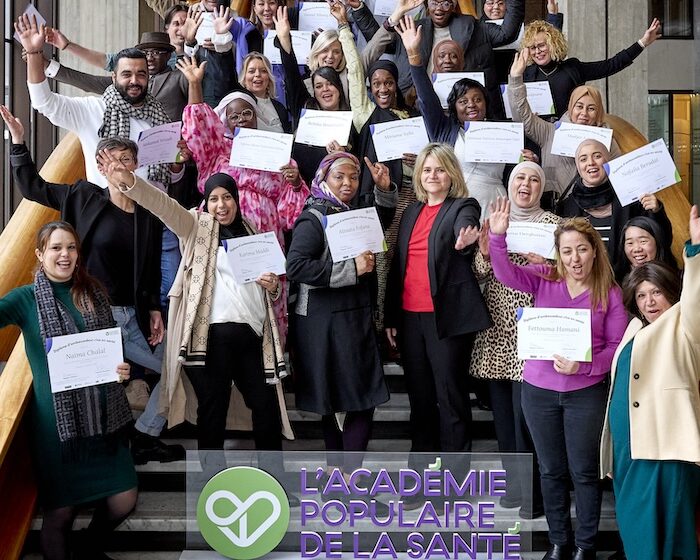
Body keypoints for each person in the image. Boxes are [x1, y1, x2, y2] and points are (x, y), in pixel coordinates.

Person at [3, 105, 184, 465]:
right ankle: (102, 456)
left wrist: (151, 308)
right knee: (94, 388)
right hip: (88, 314)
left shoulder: (149, 213)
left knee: (176, 369)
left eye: (127, 159)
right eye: (113, 160)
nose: (120, 166)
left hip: (129, 318)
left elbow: (149, 268)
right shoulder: (82, 196)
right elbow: (31, 187)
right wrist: (19, 142)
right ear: (101, 167)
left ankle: (144, 435)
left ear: (137, 165)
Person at [98, 155, 294, 458]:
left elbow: (270, 287)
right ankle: (211, 487)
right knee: (212, 409)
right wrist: (131, 182)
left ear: (237, 200)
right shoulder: (195, 227)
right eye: (214, 198)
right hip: (211, 337)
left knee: (266, 406)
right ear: (206, 202)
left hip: (253, 337)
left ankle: (274, 481)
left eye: (227, 197)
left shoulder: (254, 233)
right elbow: (163, 206)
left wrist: (272, 286)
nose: (221, 205)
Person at [488, 199, 628, 560]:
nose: (575, 258)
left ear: (594, 252)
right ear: (559, 255)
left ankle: (585, 545)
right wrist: (498, 238)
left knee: (583, 472)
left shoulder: (609, 292)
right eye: (567, 251)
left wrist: (583, 366)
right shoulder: (545, 279)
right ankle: (558, 541)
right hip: (538, 392)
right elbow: (505, 274)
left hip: (585, 394)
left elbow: (616, 347)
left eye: (582, 249)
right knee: (550, 471)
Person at [0, 221, 135, 560]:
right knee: (61, 514)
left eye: (71, 247)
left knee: (124, 500)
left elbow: (108, 349)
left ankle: (87, 548)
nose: (65, 254)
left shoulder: (93, 292)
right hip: (57, 431)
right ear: (39, 254)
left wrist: (120, 369)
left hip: (104, 423)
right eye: (56, 248)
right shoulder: (25, 299)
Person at [179, 56, 310, 339]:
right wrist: (194, 85)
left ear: (256, 116)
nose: (240, 120)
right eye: (233, 116)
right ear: (225, 120)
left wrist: (296, 182)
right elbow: (199, 128)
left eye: (246, 114)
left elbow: (292, 213)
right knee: (225, 299)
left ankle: (269, 359)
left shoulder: (276, 151)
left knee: (266, 292)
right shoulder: (216, 150)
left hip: (265, 232)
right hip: (222, 229)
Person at [286, 151, 396, 485]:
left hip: (348, 318)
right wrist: (351, 269)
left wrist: (384, 189)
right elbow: (296, 266)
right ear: (323, 180)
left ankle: (338, 479)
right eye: (339, 177)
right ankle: (350, 480)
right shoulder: (314, 216)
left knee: (340, 399)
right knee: (360, 399)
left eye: (352, 177)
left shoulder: (347, 211)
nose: (347, 183)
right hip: (328, 323)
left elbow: (378, 224)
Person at [384, 143, 491, 476]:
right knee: (420, 399)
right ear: (419, 175)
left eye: (440, 169)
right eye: (427, 169)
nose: (433, 175)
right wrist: (390, 316)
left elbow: (467, 223)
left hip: (445, 318)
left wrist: (464, 240)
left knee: (451, 399)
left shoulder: (463, 205)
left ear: (451, 174)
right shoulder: (412, 212)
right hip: (409, 318)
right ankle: (421, 476)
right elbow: (398, 264)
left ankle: (454, 478)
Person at [599, 207, 700, 560]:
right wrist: (613, 451)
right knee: (636, 531)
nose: (649, 301)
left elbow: (696, 300)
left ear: (672, 293)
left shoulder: (684, 324)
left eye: (656, 292)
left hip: (668, 449)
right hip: (630, 450)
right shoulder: (633, 328)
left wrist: (697, 250)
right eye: (642, 296)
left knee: (671, 534)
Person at [470, 162, 559, 519]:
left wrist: (549, 264)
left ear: (542, 187)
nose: (527, 183)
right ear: (509, 184)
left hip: (535, 336)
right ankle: (515, 486)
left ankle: (536, 493)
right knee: (505, 421)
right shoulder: (493, 223)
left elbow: (570, 278)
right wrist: (483, 252)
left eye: (534, 179)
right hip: (496, 333)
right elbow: (478, 274)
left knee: (530, 421)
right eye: (520, 177)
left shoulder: (555, 226)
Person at [15, 15, 172, 189]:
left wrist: (178, 164)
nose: (134, 81)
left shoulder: (159, 116)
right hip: (106, 210)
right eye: (126, 74)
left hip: (153, 211)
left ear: (148, 78)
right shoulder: (92, 110)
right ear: (114, 77)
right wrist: (33, 54)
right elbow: (44, 102)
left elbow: (169, 176)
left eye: (141, 74)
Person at [396, 15, 508, 221]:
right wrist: (413, 55)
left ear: (486, 103)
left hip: (496, 207)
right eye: (463, 101)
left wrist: (527, 158)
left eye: (477, 99)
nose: (471, 105)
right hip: (455, 211)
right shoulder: (444, 129)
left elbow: (516, 167)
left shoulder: (501, 132)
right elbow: (426, 98)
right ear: (454, 107)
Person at [349, 0, 525, 118]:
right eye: (434, 2)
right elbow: (380, 40)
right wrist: (359, 9)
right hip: (416, 107)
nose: (439, 8)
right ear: (427, 4)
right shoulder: (413, 27)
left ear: (454, 4)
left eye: (445, 3)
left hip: (463, 112)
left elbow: (506, 34)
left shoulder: (474, 27)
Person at [508, 50, 623, 197]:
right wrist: (516, 79)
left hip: (595, 207)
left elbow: (619, 178)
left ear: (599, 112)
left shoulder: (607, 142)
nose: (584, 113)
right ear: (571, 108)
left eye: (591, 108)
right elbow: (522, 116)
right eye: (579, 106)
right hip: (557, 206)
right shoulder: (550, 132)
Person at [273, 5, 358, 190]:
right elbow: (292, 75)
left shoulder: (350, 119)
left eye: (330, 84)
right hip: (301, 190)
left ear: (340, 88)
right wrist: (285, 39)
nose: (325, 90)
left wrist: (343, 155)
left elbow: (358, 162)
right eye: (319, 86)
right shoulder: (305, 106)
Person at [556, 139, 672, 267]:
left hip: (626, 281)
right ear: (578, 166)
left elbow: (663, 241)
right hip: (585, 280)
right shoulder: (567, 205)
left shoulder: (633, 198)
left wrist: (656, 212)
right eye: (583, 159)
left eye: (597, 156)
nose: (591, 163)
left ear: (608, 161)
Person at [522, 18, 661, 118]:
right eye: (532, 48)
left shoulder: (572, 68)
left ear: (553, 44)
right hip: (537, 137)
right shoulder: (526, 74)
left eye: (541, 45)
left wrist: (642, 43)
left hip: (572, 134)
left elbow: (610, 65)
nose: (537, 51)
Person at [45, 31, 189, 123]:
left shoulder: (179, 77)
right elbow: (88, 82)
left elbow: (196, 109)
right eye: (146, 53)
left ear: (169, 55)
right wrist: (46, 65)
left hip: (173, 153)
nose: (150, 58)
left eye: (157, 53)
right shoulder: (130, 82)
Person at [615, 215, 679, 283]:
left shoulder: (677, 279)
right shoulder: (618, 282)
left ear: (657, 241)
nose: (637, 249)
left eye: (643, 241)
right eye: (630, 243)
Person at [239, 52, 291, 133]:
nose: (257, 74)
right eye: (251, 71)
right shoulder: (239, 104)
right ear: (244, 78)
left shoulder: (280, 108)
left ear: (269, 77)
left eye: (263, 71)